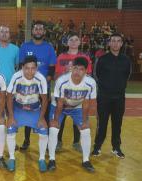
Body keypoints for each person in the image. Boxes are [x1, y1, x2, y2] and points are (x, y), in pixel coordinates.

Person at [49, 57, 97, 172]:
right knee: (53, 129)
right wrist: (55, 120)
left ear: (86, 71)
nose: (77, 72)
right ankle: (51, 159)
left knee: (86, 130)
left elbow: (86, 103)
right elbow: (60, 102)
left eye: (81, 69)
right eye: (75, 68)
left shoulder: (90, 83)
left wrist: (85, 121)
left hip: (77, 107)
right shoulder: (62, 80)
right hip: (59, 106)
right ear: (71, 68)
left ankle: (86, 160)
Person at [6, 55, 49, 172]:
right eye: (27, 68)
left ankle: (41, 159)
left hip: (34, 110)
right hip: (18, 109)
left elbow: (45, 99)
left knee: (44, 130)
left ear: (36, 68)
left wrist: (41, 118)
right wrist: (10, 116)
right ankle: (11, 158)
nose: (30, 71)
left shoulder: (40, 78)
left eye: (33, 68)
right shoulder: (16, 77)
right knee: (10, 128)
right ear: (22, 68)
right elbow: (9, 97)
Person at [92, 33, 132, 159]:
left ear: (121, 44)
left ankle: (116, 147)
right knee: (102, 124)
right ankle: (97, 147)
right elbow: (96, 75)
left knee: (117, 123)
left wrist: (118, 87)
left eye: (118, 41)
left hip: (119, 98)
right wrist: (106, 88)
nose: (115, 43)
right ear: (109, 43)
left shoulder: (126, 60)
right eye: (113, 41)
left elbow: (127, 75)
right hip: (104, 97)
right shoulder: (102, 59)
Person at [18, 20, 56, 150]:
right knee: (28, 111)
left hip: (44, 86)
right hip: (28, 87)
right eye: (36, 29)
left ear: (44, 32)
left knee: (44, 113)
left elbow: (52, 69)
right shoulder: (25, 46)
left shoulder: (49, 47)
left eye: (41, 29)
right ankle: (26, 140)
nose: (38, 31)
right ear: (32, 31)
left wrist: (43, 84)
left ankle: (45, 144)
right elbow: (20, 67)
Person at [53, 32, 93, 153]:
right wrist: (64, 73)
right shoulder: (61, 57)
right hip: (64, 94)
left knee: (78, 119)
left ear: (80, 42)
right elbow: (56, 76)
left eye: (76, 40)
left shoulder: (85, 58)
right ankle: (59, 142)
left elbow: (89, 75)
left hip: (78, 93)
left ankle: (76, 142)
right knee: (61, 118)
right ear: (67, 42)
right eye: (71, 40)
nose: (74, 42)